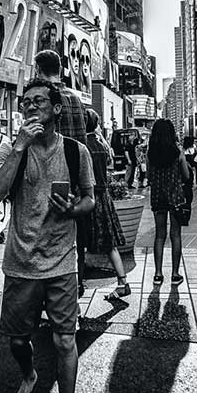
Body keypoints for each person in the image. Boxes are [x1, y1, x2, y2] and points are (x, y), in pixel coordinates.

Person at [0, 79, 95, 393]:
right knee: (18, 341)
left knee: (66, 342)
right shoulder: (13, 149)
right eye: (26, 103)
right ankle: (29, 375)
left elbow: (90, 199)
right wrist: (18, 148)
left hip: (62, 262)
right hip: (21, 263)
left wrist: (73, 209)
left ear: (56, 109)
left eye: (39, 101)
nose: (31, 107)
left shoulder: (75, 151)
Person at [81, 109, 131, 301]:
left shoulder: (82, 145)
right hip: (104, 197)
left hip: (87, 197)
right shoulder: (102, 145)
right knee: (110, 244)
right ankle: (122, 282)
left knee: (80, 243)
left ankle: (77, 286)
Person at [147, 118, 191, 286]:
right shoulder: (177, 152)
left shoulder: (151, 154)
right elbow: (186, 175)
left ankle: (158, 274)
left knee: (159, 235)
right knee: (175, 235)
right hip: (175, 197)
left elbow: (149, 176)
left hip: (158, 197)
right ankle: (175, 274)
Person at [33, 49, 87, 140]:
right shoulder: (77, 99)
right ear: (60, 69)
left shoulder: (42, 99)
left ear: (37, 69)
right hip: (78, 149)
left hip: (54, 149)